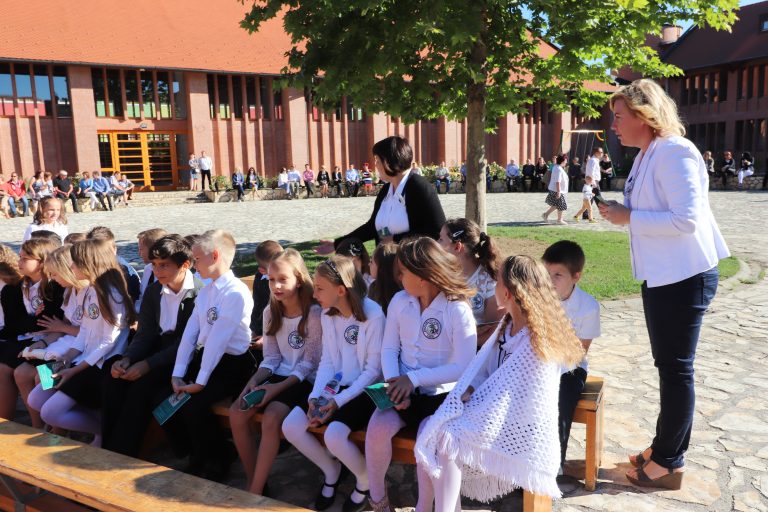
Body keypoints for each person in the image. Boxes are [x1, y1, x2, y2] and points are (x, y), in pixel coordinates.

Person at [599, 79, 730, 489]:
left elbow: (686, 220)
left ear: (644, 115)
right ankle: (663, 447)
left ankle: (669, 463)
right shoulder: (647, 154)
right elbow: (651, 208)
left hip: (684, 276)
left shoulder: (675, 152)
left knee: (676, 370)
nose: (614, 125)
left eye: (619, 117)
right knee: (668, 367)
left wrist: (629, 217)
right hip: (663, 276)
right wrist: (621, 211)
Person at [415, 255, 584, 511]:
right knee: (430, 426)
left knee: (448, 437)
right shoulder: (506, 327)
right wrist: (471, 389)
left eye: (497, 282)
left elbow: (522, 398)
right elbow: (485, 372)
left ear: (507, 293)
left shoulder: (537, 343)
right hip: (494, 413)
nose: (494, 287)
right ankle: (431, 506)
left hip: (517, 424)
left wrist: (480, 402)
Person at [366, 238, 476, 512]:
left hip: (442, 397)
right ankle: (378, 501)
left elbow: (464, 366)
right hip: (403, 390)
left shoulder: (456, 309)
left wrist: (413, 380)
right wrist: (394, 385)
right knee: (376, 429)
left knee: (428, 441)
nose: (399, 277)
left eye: (403, 272)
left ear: (424, 276)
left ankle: (423, 506)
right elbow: (389, 348)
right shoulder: (400, 301)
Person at [282, 256, 385, 512]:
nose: (314, 294)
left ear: (341, 290)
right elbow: (328, 360)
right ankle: (332, 470)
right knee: (291, 426)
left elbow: (373, 371)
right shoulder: (328, 314)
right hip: (335, 387)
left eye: (319, 288)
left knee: (334, 436)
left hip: (365, 390)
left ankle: (364, 478)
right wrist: (315, 396)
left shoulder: (373, 315)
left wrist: (337, 402)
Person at [230, 249, 321, 495]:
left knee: (271, 418)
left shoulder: (313, 313)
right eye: (271, 280)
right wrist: (254, 381)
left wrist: (274, 389)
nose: (276, 286)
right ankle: (255, 478)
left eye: (283, 279)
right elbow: (271, 357)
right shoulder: (271, 312)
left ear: (298, 280)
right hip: (279, 374)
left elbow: (310, 363)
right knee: (237, 412)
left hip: (304, 379)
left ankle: (255, 490)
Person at [102, 235, 203, 457]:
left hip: (186, 358)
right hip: (158, 349)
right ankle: (107, 445)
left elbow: (188, 343)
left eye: (164, 265)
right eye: (155, 265)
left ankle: (122, 452)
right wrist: (128, 358)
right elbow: (145, 333)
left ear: (185, 265)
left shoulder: (198, 294)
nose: (157, 271)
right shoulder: (154, 291)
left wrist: (147, 364)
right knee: (115, 378)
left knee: (142, 387)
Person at [167, 229, 253, 480]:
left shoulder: (235, 293)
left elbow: (218, 339)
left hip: (233, 365)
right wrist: (178, 373)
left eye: (196, 259)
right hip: (209, 360)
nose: (194, 266)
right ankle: (205, 452)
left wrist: (200, 381)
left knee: (195, 403)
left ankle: (217, 459)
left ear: (214, 256)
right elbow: (190, 334)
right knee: (167, 396)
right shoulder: (206, 292)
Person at [34, 239, 136, 446]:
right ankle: (99, 424)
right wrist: (67, 357)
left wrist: (74, 370)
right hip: (79, 358)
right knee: (35, 398)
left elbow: (108, 341)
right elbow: (85, 331)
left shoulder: (111, 294)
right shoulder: (90, 290)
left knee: (50, 412)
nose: (71, 267)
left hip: (97, 365)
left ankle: (103, 431)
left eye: (75, 263)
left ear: (89, 264)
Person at [317, 136, 446, 254]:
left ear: (388, 162)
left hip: (411, 265)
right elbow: (373, 227)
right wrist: (337, 243)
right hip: (385, 265)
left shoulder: (419, 186)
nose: (376, 166)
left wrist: (395, 239)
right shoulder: (386, 189)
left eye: (377, 160)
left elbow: (436, 230)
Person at [542, 241, 601, 472]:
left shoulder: (588, 307)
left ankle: (553, 464)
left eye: (558, 275)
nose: (549, 280)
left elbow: (579, 352)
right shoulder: (537, 297)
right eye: (546, 273)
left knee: (561, 400)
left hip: (569, 368)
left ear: (576, 276)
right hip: (538, 362)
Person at [17, 244, 87, 430]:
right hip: (69, 347)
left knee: (43, 377)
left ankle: (57, 430)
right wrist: (41, 343)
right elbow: (60, 328)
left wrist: (63, 328)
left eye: (55, 274)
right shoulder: (69, 292)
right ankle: (47, 427)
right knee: (36, 376)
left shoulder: (90, 293)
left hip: (84, 353)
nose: (53, 278)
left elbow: (91, 333)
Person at [0, 238, 64, 421]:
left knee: (40, 376)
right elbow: (18, 324)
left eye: (24, 258)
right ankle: (32, 425)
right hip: (35, 340)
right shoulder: (21, 286)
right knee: (11, 371)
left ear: (42, 262)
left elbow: (53, 322)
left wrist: (35, 321)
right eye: (19, 257)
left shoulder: (56, 286)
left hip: (61, 343)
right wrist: (34, 320)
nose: (18, 262)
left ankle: (53, 428)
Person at [437, 218, 503, 346]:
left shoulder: (489, 280)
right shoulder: (440, 275)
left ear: (457, 247)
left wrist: (460, 342)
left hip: (476, 350)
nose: (436, 243)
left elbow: (492, 330)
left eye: (441, 239)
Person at [86, 226, 141, 302]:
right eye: (95, 252)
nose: (101, 256)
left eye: (106, 251)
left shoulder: (124, 273)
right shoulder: (87, 268)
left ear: (114, 249)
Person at [249, 241, 284, 360]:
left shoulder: (289, 283)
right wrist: (254, 330)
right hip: (263, 328)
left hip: (282, 332)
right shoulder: (260, 278)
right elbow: (257, 306)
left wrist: (267, 337)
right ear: (263, 271)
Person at [135, 228, 169, 312]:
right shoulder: (148, 269)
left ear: (152, 250)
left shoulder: (168, 273)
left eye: (141, 249)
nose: (139, 253)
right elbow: (142, 297)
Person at [366, 243, 401, 315]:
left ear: (382, 268)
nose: (369, 264)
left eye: (371, 262)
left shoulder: (400, 294)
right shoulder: (373, 287)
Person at [542, 154, 569, 225]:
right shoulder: (558, 169)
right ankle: (559, 220)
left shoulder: (557, 167)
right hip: (557, 190)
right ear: (562, 161)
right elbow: (558, 181)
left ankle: (546, 215)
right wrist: (559, 191)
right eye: (566, 160)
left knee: (556, 204)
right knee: (561, 204)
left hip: (557, 189)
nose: (566, 162)